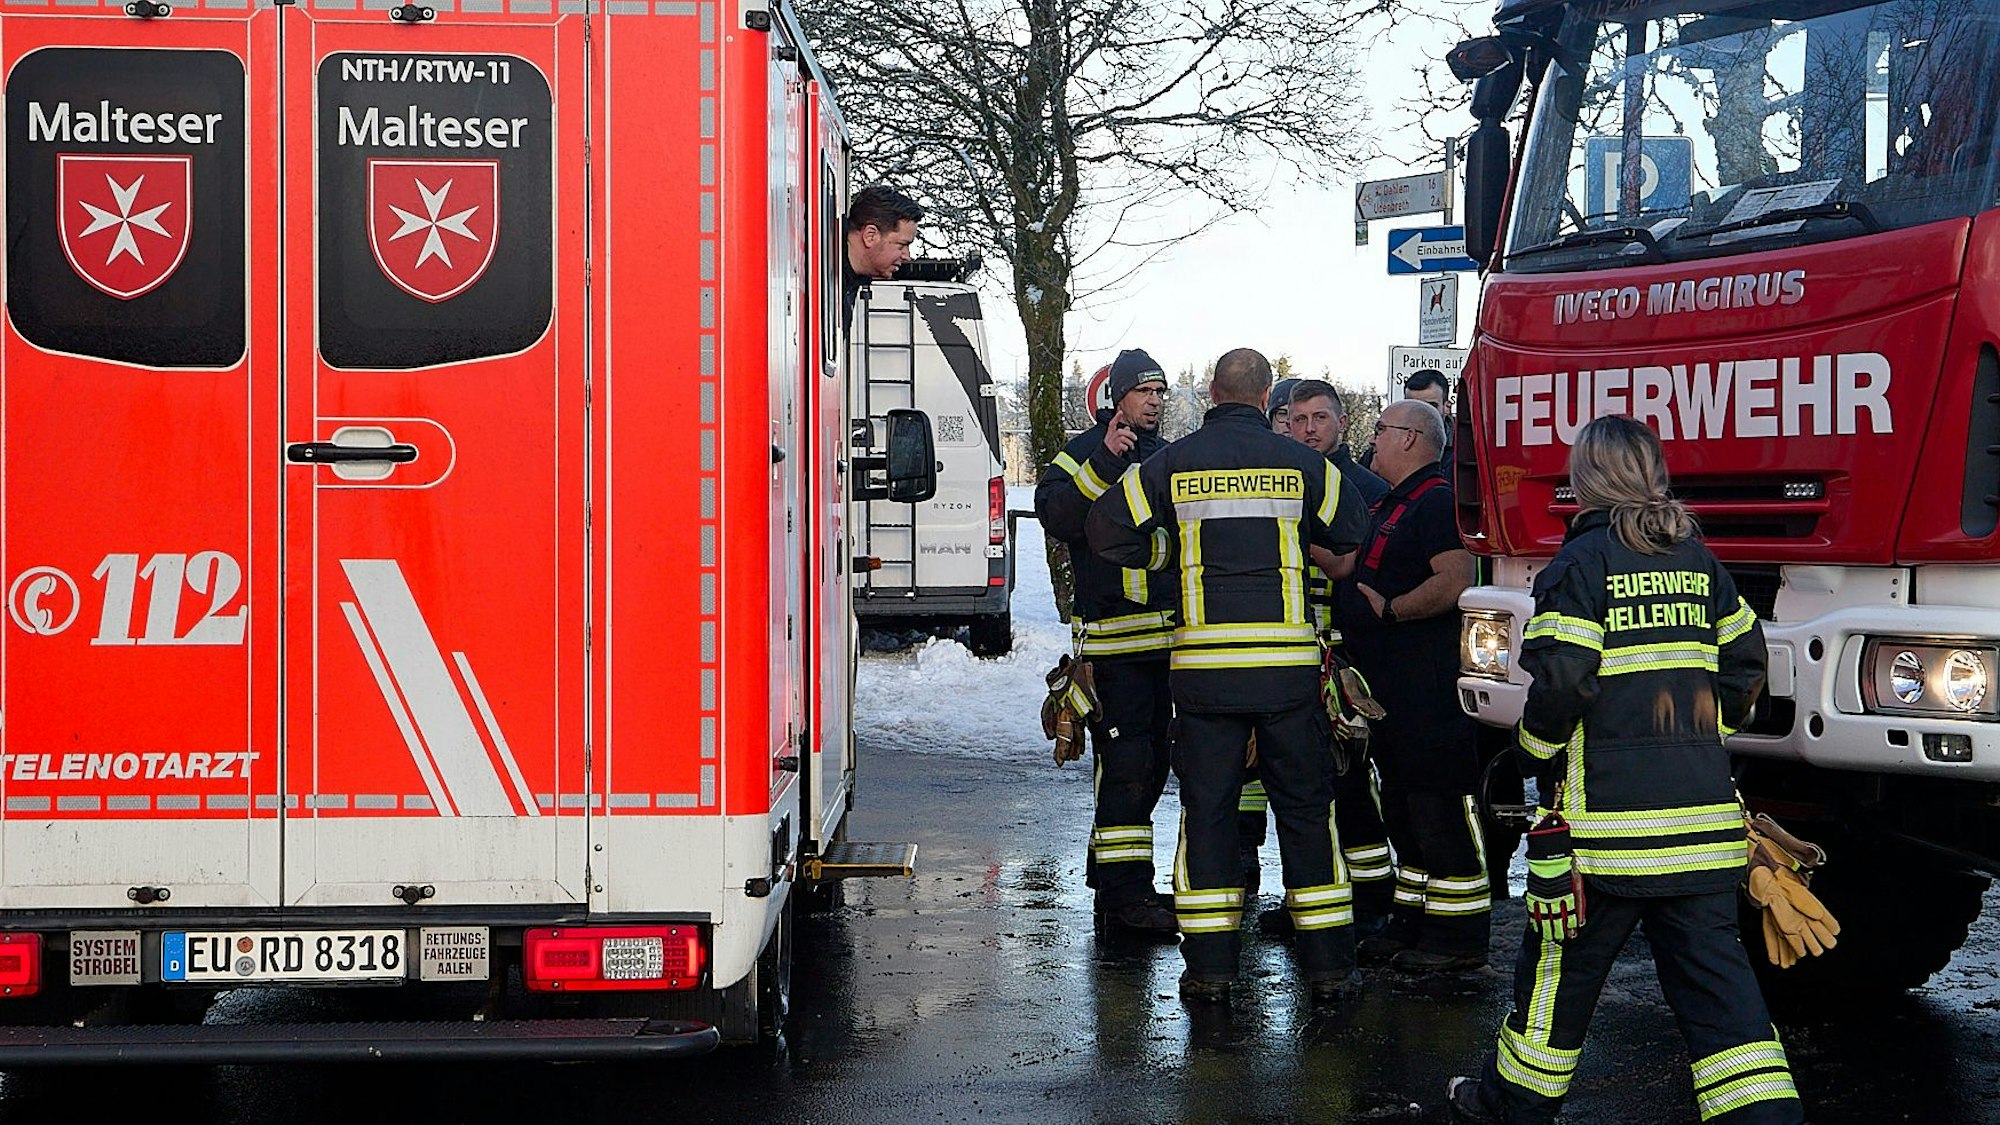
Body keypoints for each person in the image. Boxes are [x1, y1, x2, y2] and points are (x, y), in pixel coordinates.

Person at [1449, 415, 1800, 1125]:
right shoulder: (1699, 559)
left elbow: (1564, 683)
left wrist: (1534, 754)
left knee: (1556, 976)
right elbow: (1747, 664)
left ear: (1585, 481)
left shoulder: (1579, 567)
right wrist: (1701, 734)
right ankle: (1765, 1117)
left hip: (1605, 840)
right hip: (1702, 830)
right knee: (1720, 992)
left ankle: (1506, 1106)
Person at [1088, 347, 1368, 1006]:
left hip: (1205, 676)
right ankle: (1330, 966)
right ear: (1267, 393)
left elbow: (1104, 529)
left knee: (1207, 815)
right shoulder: (1304, 464)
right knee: (1305, 812)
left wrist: (1169, 551)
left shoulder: (1173, 461)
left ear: (1211, 391)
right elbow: (1354, 529)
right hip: (1286, 675)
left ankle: (1210, 970)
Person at [1338, 398, 1491, 975]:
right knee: (1403, 802)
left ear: (1410, 439)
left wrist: (1394, 610)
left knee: (1436, 802)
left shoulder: (1435, 500)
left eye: (1380, 430)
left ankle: (1458, 936)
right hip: (1393, 693)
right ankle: (1413, 921)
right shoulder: (1393, 500)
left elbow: (1455, 578)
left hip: (1428, 688)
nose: (1372, 439)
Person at [1034, 349, 1179, 938]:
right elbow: (1058, 515)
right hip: (1112, 646)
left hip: (1163, 643)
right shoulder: (1081, 453)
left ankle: (1115, 880)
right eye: (1144, 391)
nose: (1153, 401)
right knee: (1125, 767)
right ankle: (1125, 901)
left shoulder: (1166, 458)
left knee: (1154, 764)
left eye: (1161, 392)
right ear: (1116, 397)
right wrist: (1103, 461)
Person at [842, 185, 923, 331]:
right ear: (870, 236)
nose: (907, 257)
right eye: (901, 245)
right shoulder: (815, 275)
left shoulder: (851, 285)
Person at [1362, 368, 1454, 472]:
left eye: (1430, 407)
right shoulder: (1381, 451)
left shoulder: (1465, 450)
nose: (1421, 415)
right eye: (1413, 407)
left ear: (1447, 407)